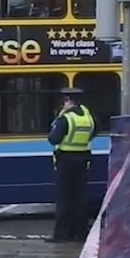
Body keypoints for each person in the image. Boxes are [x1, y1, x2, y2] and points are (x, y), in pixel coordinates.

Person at [47, 87, 95, 242]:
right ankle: (80, 233)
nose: (64, 104)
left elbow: (53, 139)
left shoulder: (66, 118)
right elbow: (95, 130)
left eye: (65, 101)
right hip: (83, 161)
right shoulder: (88, 117)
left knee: (64, 199)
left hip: (66, 161)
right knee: (79, 199)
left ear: (69, 101)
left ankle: (61, 234)